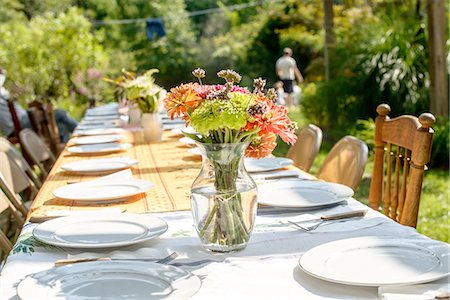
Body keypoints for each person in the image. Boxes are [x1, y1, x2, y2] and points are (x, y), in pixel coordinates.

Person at [0, 68, 78, 143]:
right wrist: (2, 73)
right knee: (60, 113)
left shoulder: (3, 91)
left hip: (23, 119)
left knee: (61, 126)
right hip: (19, 124)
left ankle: (65, 150)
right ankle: (83, 133)